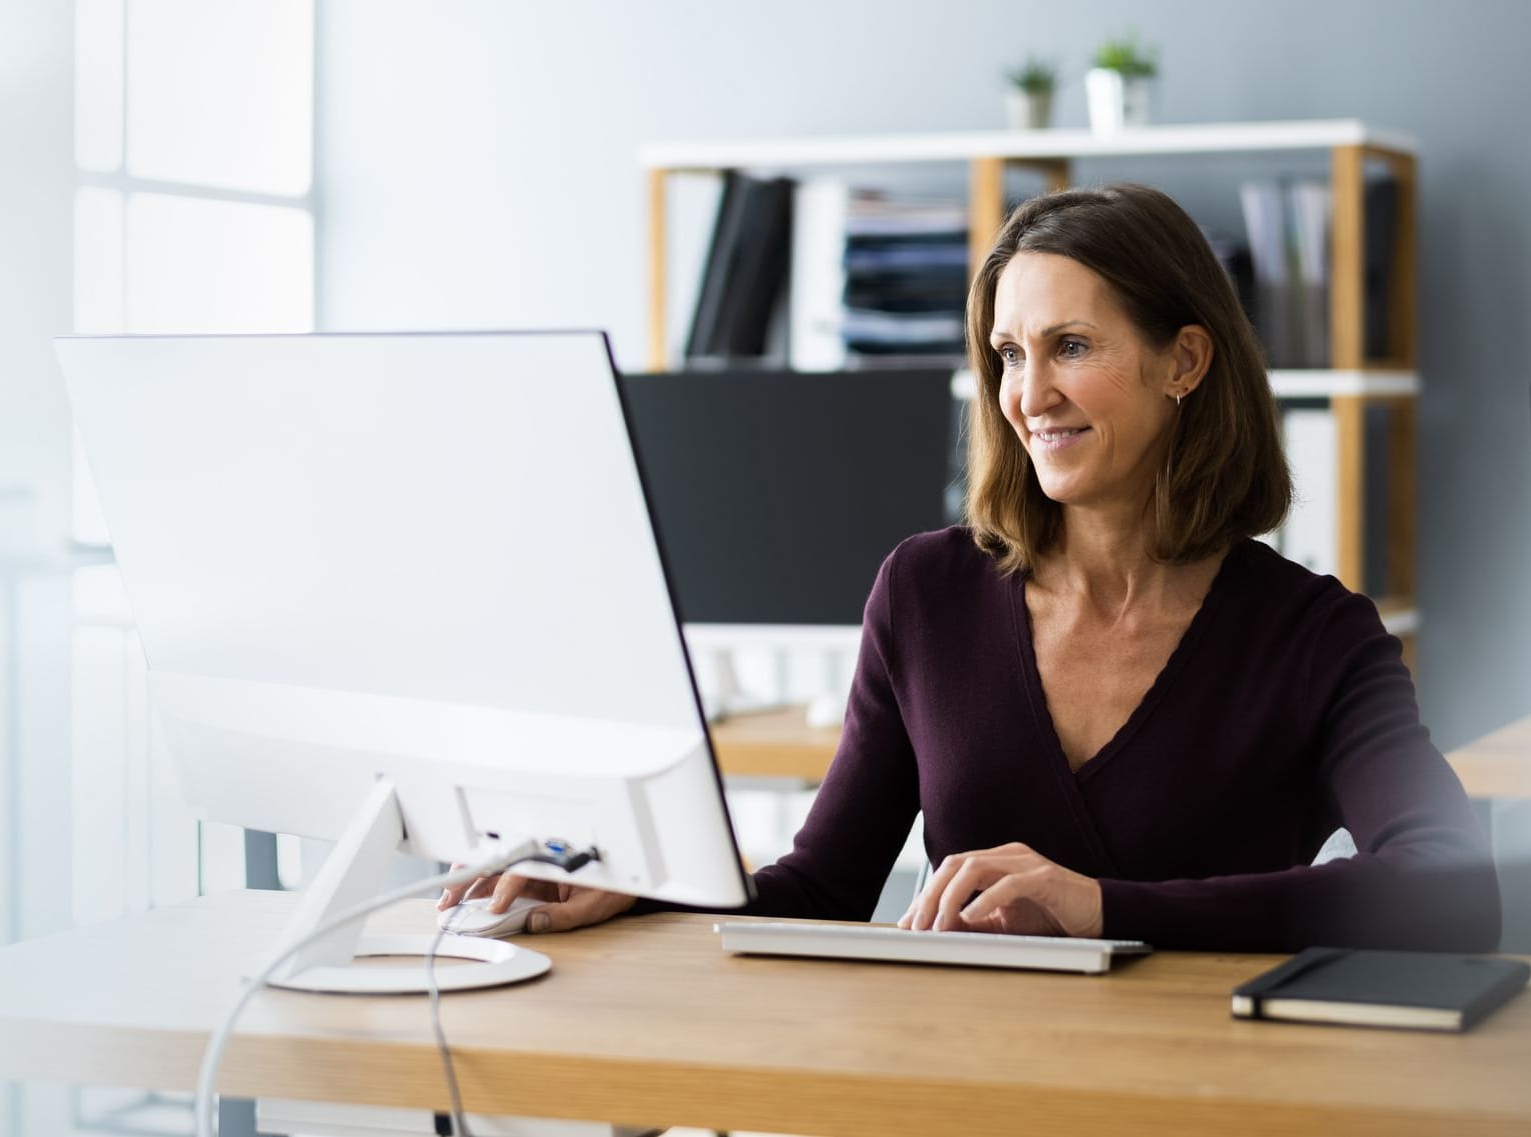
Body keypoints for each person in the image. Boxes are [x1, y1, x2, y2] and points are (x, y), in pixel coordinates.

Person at [440, 183, 1501, 953]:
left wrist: (1100, 906)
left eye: (1070, 346)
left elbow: (1450, 889)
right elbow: (823, 883)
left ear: (1182, 360)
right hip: (958, 1084)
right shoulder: (925, 592)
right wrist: (644, 890)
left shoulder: (1313, 636)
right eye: (1006, 353)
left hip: (1200, 1096)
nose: (1027, 392)